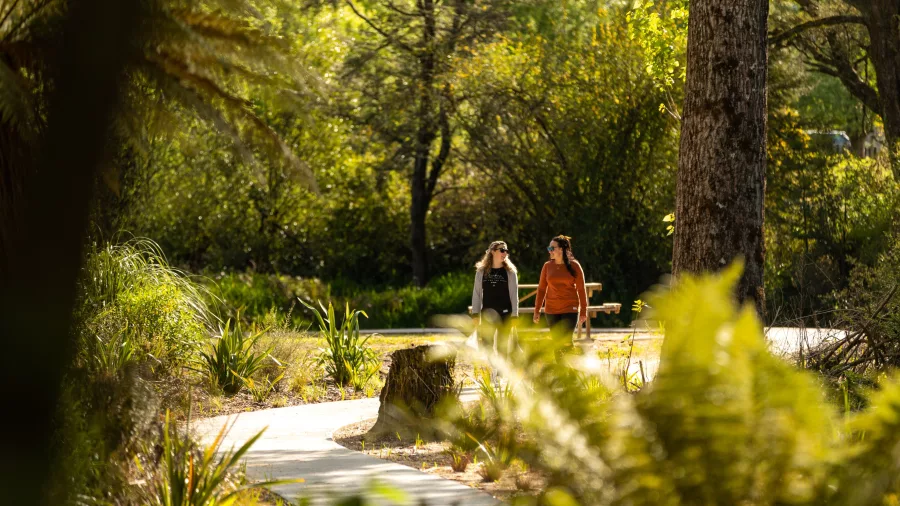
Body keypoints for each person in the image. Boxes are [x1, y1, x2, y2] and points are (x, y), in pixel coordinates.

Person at [533, 235, 588, 349]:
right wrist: (537, 310)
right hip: (551, 309)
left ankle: (569, 366)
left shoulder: (575, 266)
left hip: (570, 308)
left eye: (552, 248)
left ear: (561, 249)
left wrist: (583, 310)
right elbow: (542, 289)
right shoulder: (547, 266)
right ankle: (560, 366)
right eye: (549, 248)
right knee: (556, 342)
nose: (550, 251)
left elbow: (581, 289)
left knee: (566, 341)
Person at [471, 240, 519, 357]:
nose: (505, 253)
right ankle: (490, 372)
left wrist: (515, 315)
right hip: (488, 314)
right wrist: (475, 314)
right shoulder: (481, 271)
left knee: (503, 347)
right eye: (502, 250)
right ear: (492, 252)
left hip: (505, 314)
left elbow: (514, 295)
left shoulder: (510, 272)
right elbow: (477, 294)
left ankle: (502, 375)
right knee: (487, 346)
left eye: (506, 251)